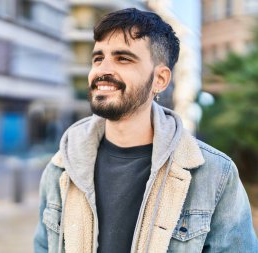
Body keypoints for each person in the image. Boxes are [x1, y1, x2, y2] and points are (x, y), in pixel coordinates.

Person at [34, 8, 258, 253]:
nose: (102, 70)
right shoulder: (61, 169)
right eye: (98, 58)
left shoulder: (215, 175)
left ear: (160, 79)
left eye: (123, 58)